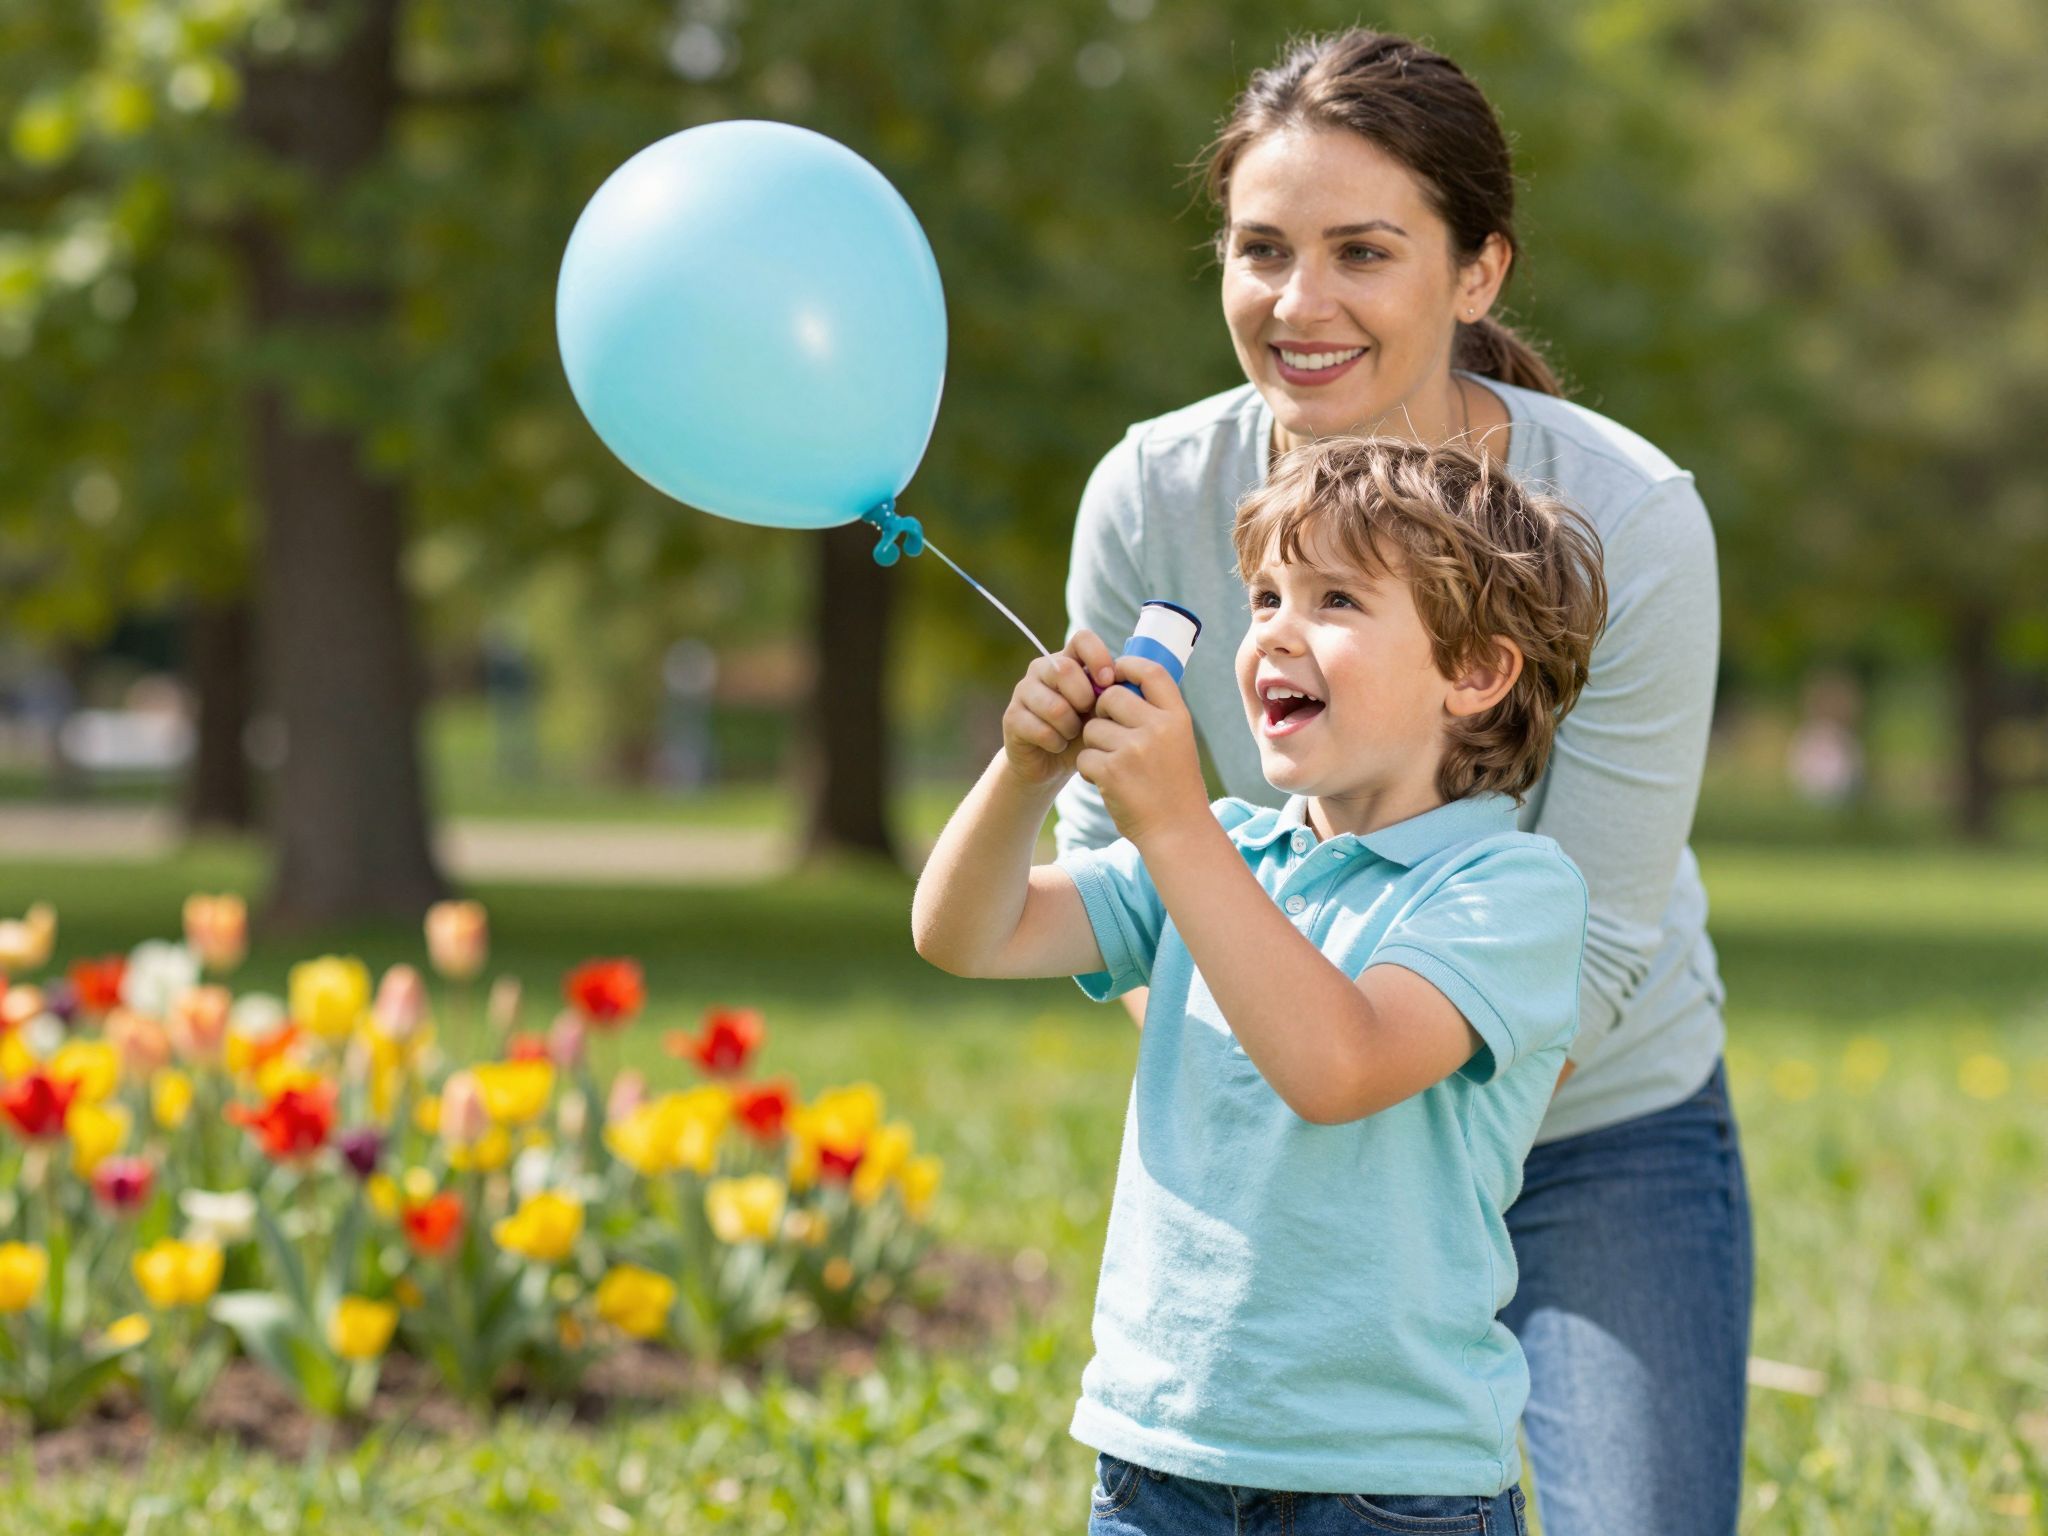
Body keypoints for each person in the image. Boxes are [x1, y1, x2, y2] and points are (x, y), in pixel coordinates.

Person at [1055, 30, 1752, 1536]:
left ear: (1477, 271)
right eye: (1260, 249)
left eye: (1362, 252)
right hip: (1303, 1137)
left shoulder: (1627, 517)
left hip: (1596, 1128)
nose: (1297, 304)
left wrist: (1364, 1081)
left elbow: (1597, 952)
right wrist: (1284, 1096)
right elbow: (1109, 846)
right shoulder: (1155, 495)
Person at [915, 435, 1607, 1533]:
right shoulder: (1227, 852)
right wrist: (1022, 774)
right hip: (1159, 1462)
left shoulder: (1509, 889)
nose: (1277, 630)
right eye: (1265, 597)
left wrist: (1175, 824)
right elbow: (966, 933)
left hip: (1392, 1485)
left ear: (1473, 673)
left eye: (1336, 599)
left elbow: (1338, 1066)